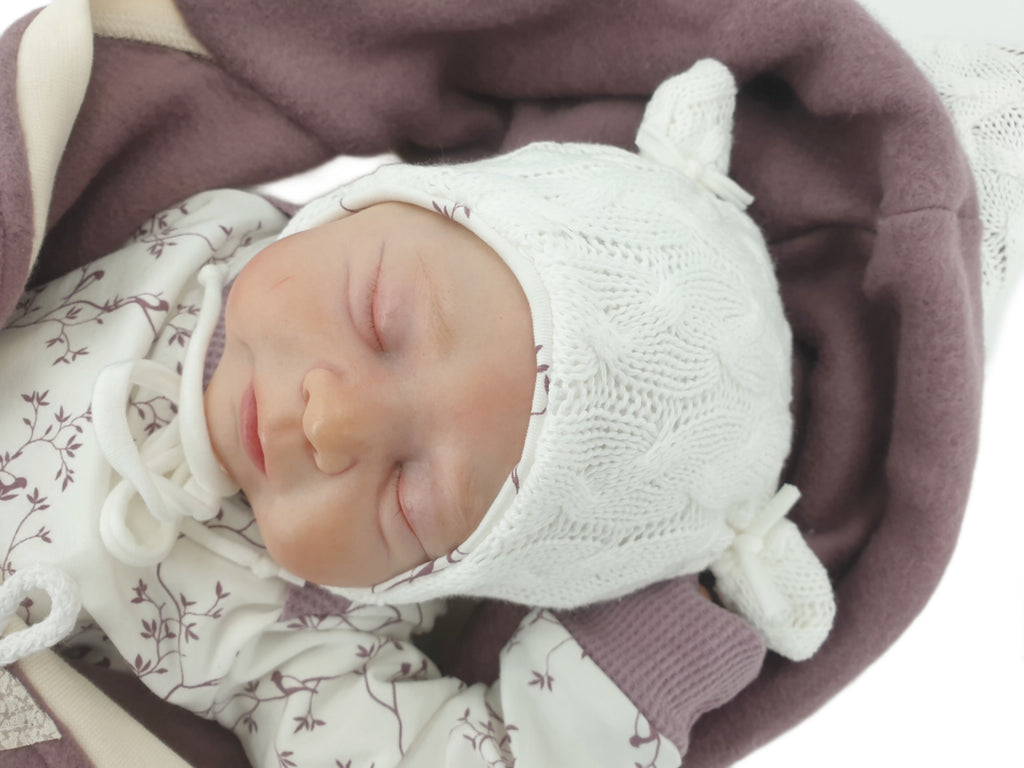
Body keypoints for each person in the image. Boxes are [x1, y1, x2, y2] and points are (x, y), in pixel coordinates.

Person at [0, 60, 835, 767]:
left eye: (410, 497)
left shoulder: (303, 640)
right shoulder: (190, 223)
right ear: (371, 205)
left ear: (437, 572)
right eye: (378, 317)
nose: (330, 421)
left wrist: (639, 661)